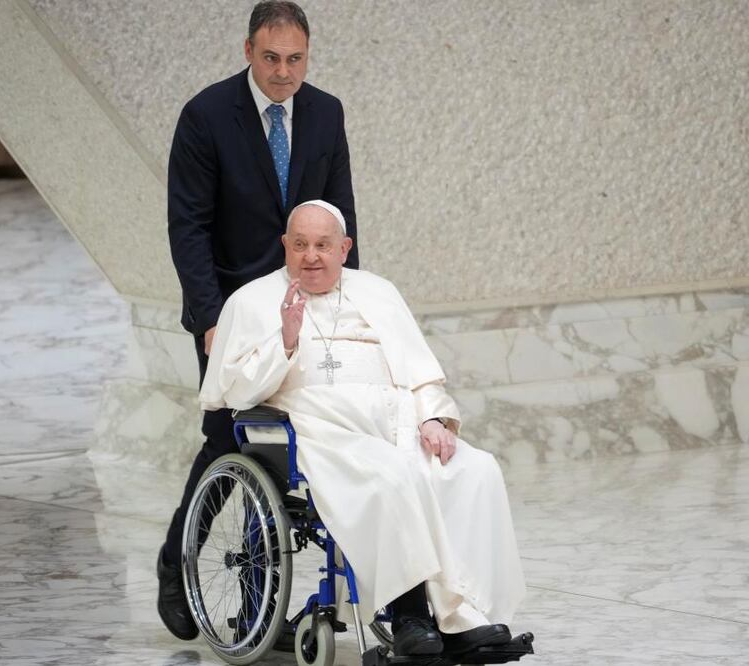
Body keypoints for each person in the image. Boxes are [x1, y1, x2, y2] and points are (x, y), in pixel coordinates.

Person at [199, 201, 526, 656]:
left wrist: (431, 417)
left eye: (323, 245)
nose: (311, 256)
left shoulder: (378, 291)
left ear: (344, 248)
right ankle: (410, 615)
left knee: (476, 470)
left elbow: (418, 372)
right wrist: (285, 339)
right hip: (320, 431)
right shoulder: (251, 301)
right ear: (284, 246)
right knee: (392, 475)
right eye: (300, 245)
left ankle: (466, 614)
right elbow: (235, 392)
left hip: (398, 424)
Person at [160, 1, 358, 640]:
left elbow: (340, 217)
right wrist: (209, 320)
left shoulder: (325, 113)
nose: (282, 73)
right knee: (230, 438)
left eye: (295, 59)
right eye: (270, 58)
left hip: (306, 302)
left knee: (287, 445)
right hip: (233, 309)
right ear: (248, 51)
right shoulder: (206, 116)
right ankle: (177, 565)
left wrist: (351, 305)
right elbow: (188, 227)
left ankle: (254, 609)